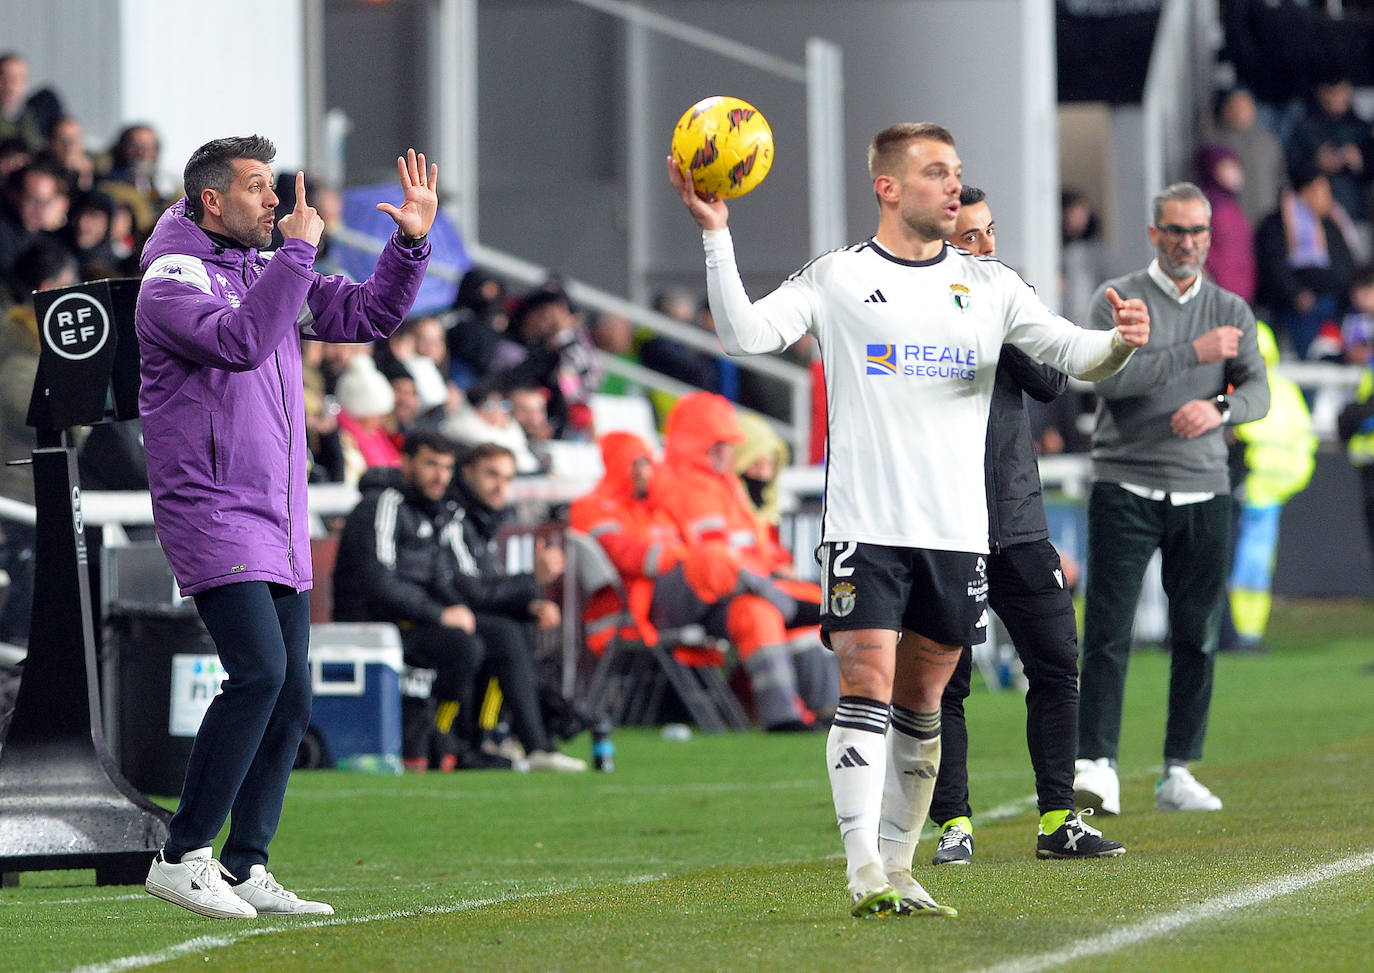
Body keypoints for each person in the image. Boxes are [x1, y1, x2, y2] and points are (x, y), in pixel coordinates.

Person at [668, 122, 1149, 918]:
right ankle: (861, 867)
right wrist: (718, 237)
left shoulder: (990, 285)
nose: (952, 185)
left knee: (923, 700)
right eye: (934, 172)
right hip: (867, 524)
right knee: (865, 680)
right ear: (888, 187)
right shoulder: (840, 278)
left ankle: (898, 865)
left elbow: (1074, 352)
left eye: (955, 171)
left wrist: (1122, 343)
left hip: (959, 532)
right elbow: (742, 333)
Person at [136, 135, 437, 919]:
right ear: (212, 201)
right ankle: (181, 853)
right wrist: (295, 259)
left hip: (278, 510)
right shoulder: (171, 279)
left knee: (293, 691)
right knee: (260, 673)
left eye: (275, 187)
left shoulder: (263, 269)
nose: (276, 201)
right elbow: (238, 343)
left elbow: (371, 313)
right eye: (259, 187)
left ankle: (244, 864)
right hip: (210, 506)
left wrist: (409, 242)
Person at [927, 187, 1124, 867]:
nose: (984, 248)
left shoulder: (1009, 293)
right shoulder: (911, 305)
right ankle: (953, 822)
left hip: (1016, 516)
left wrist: (996, 319)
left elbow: (1050, 381)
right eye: (968, 238)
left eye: (988, 233)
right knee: (945, 680)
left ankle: (1059, 819)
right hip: (943, 520)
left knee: (1056, 660)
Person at [1073, 182, 1269, 819]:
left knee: (1197, 635)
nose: (1187, 243)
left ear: (1210, 239)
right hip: (1124, 481)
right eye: (1175, 231)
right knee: (1106, 632)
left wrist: (1217, 407)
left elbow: (1258, 394)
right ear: (1154, 234)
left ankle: (1178, 770)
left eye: (1197, 232)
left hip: (1203, 488)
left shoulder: (1232, 310)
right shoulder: (1120, 299)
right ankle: (1097, 765)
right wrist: (1194, 353)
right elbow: (1112, 382)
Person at [332, 432, 584, 772]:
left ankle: (509, 744)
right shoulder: (383, 505)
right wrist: (439, 614)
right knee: (468, 646)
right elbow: (378, 583)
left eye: (446, 467)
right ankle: (446, 739)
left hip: (411, 619)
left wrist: (489, 608)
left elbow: (442, 581)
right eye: (431, 464)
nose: (440, 476)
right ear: (406, 463)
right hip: (375, 629)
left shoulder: (428, 511)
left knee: (506, 631)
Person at [572, 430, 836, 730]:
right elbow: (631, 557)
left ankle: (789, 718)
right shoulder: (591, 506)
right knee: (711, 557)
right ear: (618, 465)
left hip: (698, 597)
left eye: (648, 462)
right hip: (643, 605)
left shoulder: (659, 505)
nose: (646, 470)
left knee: (756, 611)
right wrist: (684, 556)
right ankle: (791, 602)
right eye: (637, 463)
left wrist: (685, 555)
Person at [654, 393, 833, 730]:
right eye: (718, 444)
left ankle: (827, 708)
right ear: (696, 444)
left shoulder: (727, 487)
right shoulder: (679, 486)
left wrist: (776, 569)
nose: (727, 452)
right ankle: (782, 718)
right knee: (759, 612)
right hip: (697, 599)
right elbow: (712, 560)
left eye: (729, 444)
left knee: (819, 603)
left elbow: (756, 547)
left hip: (743, 590)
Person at [446, 442, 586, 770]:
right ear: (467, 474)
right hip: (438, 614)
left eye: (507, 478)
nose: (500, 486)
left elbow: (484, 586)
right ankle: (529, 744)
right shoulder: (454, 517)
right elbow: (468, 589)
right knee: (506, 634)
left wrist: (530, 603)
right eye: (492, 475)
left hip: (462, 612)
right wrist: (532, 580)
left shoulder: (483, 519)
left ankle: (501, 736)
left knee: (521, 624)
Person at [1226, 321, 1316, 653]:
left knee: (1253, 566)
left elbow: (1297, 443)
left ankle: (1244, 633)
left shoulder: (1278, 392)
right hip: (1242, 487)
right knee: (1242, 563)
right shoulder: (1267, 391)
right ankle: (1233, 632)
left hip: (1261, 492)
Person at [1254, 167, 1359, 359]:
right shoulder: (1277, 224)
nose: (1327, 197)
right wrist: (1296, 293)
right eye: (1322, 191)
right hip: (1297, 308)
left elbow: (1346, 261)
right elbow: (1274, 265)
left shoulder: (1332, 222)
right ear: (1306, 192)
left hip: (1335, 305)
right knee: (1310, 357)